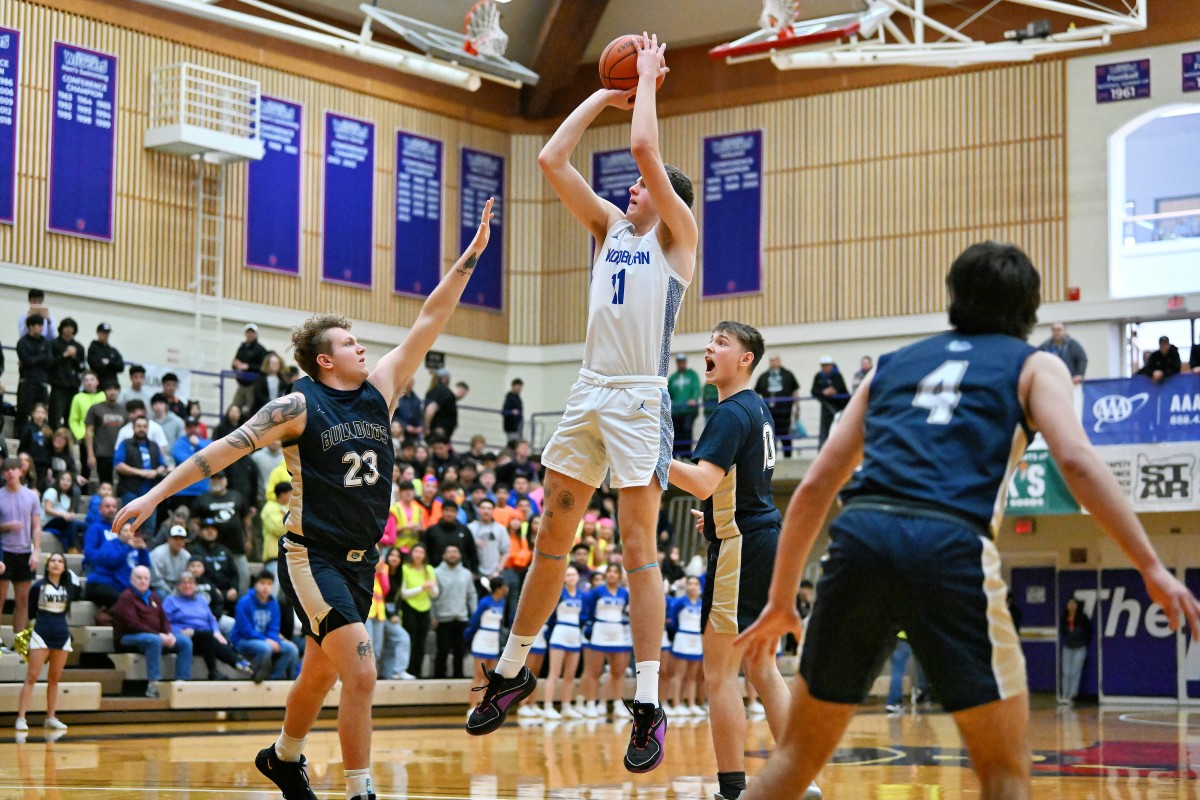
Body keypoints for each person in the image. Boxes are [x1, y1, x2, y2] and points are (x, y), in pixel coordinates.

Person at [734, 241, 1200, 800]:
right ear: (1030, 309)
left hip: (860, 535)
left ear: (952, 296)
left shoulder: (890, 364)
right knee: (1004, 771)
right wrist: (1150, 565)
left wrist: (782, 600)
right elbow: (1075, 459)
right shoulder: (1036, 364)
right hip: (950, 543)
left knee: (793, 762)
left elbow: (813, 487)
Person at [114, 198, 494, 800]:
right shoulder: (295, 406)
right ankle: (360, 789)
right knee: (361, 673)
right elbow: (221, 451)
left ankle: (284, 755)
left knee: (320, 670)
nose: (361, 347)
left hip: (362, 559)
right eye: (349, 342)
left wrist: (470, 258)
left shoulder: (382, 389)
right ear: (325, 359)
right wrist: (154, 495)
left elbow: (430, 318)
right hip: (311, 556)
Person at [470, 36, 696, 776]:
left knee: (637, 552)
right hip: (588, 389)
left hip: (638, 399)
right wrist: (607, 90)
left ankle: (648, 701)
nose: (630, 187)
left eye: (642, 186)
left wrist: (651, 82)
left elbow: (642, 149)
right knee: (552, 539)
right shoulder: (607, 230)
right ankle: (511, 669)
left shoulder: (677, 239)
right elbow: (550, 160)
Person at [667, 321, 818, 800]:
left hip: (741, 548)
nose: (709, 347)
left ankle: (731, 790)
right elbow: (735, 486)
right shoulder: (759, 409)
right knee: (762, 670)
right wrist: (712, 520)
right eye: (709, 340)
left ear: (746, 359)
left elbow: (704, 481)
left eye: (721, 343)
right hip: (760, 539)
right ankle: (801, 779)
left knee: (718, 674)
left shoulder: (731, 413)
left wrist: (649, 455)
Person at [15, 553, 77, 732]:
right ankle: (21, 717)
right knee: (32, 676)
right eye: (53, 561)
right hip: (41, 634)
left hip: (62, 636)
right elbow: (32, 611)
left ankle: (50, 717)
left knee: (54, 679)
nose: (56, 564)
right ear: (47, 565)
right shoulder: (38, 587)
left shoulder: (69, 587)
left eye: (60, 561)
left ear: (64, 567)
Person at [112, 565, 192, 696]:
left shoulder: (154, 597)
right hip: (128, 638)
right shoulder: (126, 597)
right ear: (132, 580)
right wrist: (159, 635)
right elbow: (133, 625)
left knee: (184, 641)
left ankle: (182, 684)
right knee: (154, 640)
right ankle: (153, 685)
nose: (143, 581)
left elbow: (164, 619)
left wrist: (169, 634)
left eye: (146, 578)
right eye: (139, 578)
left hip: (154, 637)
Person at [164, 571, 253, 679]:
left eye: (190, 583)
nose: (187, 585)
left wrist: (216, 631)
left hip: (207, 637)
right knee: (209, 637)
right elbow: (164, 622)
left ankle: (240, 664)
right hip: (186, 637)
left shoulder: (201, 600)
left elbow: (211, 619)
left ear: (195, 585)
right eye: (184, 583)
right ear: (178, 585)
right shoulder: (171, 600)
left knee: (217, 640)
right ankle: (234, 665)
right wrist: (179, 631)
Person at [230, 571, 299, 682]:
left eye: (269, 584)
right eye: (262, 583)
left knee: (291, 649)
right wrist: (266, 640)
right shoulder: (244, 602)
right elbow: (245, 630)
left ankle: (275, 679)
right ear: (255, 585)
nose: (265, 587)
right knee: (265, 647)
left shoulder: (273, 603)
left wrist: (272, 639)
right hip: (242, 641)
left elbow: (274, 627)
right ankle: (257, 675)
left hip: (265, 640)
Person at [0, 457, 41, 632]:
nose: (10, 472)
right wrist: (7, 526)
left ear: (21, 471)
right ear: (3, 474)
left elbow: (37, 526)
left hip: (24, 551)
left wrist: (36, 551)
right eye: (7, 469)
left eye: (13, 469)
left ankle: (18, 640)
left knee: (23, 599)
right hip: (4, 552)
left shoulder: (32, 496)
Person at [541, 566, 584, 719]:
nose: (571, 577)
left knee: (570, 674)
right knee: (554, 673)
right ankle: (548, 706)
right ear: (563, 578)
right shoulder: (558, 593)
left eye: (573, 574)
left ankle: (566, 706)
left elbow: (584, 616)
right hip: (560, 633)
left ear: (578, 577)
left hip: (575, 634)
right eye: (568, 575)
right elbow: (550, 616)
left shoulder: (581, 594)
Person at [114, 417, 168, 530]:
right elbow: (118, 465)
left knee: (149, 528)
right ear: (133, 428)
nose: (141, 429)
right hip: (130, 490)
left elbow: (162, 465)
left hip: (151, 492)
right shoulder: (125, 444)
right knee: (129, 527)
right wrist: (140, 472)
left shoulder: (154, 445)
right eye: (139, 426)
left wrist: (155, 472)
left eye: (144, 426)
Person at [432, 543, 476, 679]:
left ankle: (459, 677)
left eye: (455, 552)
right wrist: (432, 616)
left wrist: (473, 616)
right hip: (442, 619)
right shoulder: (435, 573)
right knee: (442, 651)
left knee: (460, 652)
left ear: (460, 555)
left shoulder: (467, 574)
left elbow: (472, 595)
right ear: (444, 555)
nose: (452, 554)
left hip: (461, 619)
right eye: (449, 552)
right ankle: (439, 679)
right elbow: (432, 597)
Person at [84, 520, 151, 609]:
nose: (128, 533)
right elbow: (112, 561)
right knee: (125, 602)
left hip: (122, 587)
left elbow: (145, 567)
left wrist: (143, 551)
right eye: (125, 530)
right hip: (101, 584)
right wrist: (127, 547)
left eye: (131, 531)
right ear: (118, 533)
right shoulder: (109, 544)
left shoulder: (136, 549)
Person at [666, 576, 704, 716]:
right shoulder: (679, 602)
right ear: (686, 586)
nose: (693, 586)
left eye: (695, 584)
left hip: (697, 640)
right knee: (678, 674)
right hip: (682, 638)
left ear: (699, 586)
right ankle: (676, 704)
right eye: (690, 583)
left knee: (692, 676)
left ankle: (691, 704)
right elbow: (672, 621)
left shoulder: (702, 603)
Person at [754, 354, 800, 458]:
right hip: (769, 413)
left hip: (785, 412)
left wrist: (797, 408)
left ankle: (788, 458)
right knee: (770, 436)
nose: (773, 362)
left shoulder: (788, 375)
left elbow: (795, 391)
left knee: (786, 436)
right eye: (771, 360)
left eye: (775, 360)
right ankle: (771, 460)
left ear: (779, 361)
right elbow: (756, 392)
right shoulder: (764, 376)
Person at [84, 381, 127, 485]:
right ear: (104, 391)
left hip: (120, 452)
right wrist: (90, 453)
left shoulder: (124, 410)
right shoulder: (96, 408)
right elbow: (89, 430)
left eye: (115, 389)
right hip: (102, 451)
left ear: (119, 391)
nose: (112, 392)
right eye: (109, 389)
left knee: (122, 485)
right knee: (105, 484)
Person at [16, 313, 52, 433]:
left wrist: (36, 359)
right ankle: (20, 436)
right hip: (27, 381)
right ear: (30, 326)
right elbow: (27, 361)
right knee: (23, 410)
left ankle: (39, 437)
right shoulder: (23, 342)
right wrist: (41, 357)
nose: (40, 328)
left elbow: (49, 361)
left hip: (41, 381)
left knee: (41, 411)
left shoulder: (46, 342)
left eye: (41, 325)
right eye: (37, 325)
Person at [48, 318, 85, 429]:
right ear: (61, 328)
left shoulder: (79, 347)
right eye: (66, 327)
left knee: (71, 416)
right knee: (55, 415)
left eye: (71, 327)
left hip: (73, 386)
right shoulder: (54, 344)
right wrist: (64, 355)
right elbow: (50, 363)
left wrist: (74, 357)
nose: (69, 330)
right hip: (58, 386)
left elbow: (81, 367)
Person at [1059, 596, 1092, 706]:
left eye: (1073, 604)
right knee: (1066, 671)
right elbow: (1063, 632)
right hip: (1068, 647)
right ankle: (1064, 695)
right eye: (1070, 604)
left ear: (1077, 606)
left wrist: (1083, 641)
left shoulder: (1083, 618)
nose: (1071, 606)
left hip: (1079, 647)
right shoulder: (1064, 618)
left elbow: (1088, 632)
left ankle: (1072, 696)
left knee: (1075, 672)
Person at [41, 470, 84, 553]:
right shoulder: (52, 491)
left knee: (86, 526)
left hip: (63, 521)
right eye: (63, 479)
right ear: (58, 480)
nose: (66, 482)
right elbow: (47, 509)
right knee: (72, 523)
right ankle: (71, 548)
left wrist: (70, 515)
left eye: (68, 480)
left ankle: (84, 549)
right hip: (49, 521)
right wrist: (63, 514)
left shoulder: (69, 496)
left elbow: (70, 512)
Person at [810, 356, 848, 450]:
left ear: (831, 365)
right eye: (823, 365)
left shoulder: (837, 375)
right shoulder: (819, 376)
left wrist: (832, 391)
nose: (825, 367)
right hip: (826, 405)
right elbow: (814, 391)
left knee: (841, 427)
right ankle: (822, 450)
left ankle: (843, 449)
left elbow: (840, 388)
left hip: (840, 406)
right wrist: (823, 392)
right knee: (824, 429)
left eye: (827, 365)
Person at [668, 353, 701, 457]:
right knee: (676, 433)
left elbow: (696, 388)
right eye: (679, 361)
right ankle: (677, 455)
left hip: (689, 410)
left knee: (687, 430)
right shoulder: (673, 378)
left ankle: (686, 455)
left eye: (682, 361)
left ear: (685, 362)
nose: (681, 363)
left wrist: (693, 399)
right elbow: (668, 393)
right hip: (676, 410)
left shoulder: (692, 375)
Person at [232, 323, 269, 413]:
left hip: (253, 385)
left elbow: (263, 367)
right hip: (241, 383)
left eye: (252, 332)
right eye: (248, 332)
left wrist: (248, 367)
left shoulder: (261, 350)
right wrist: (235, 365)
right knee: (235, 406)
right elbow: (235, 362)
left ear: (256, 334)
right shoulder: (242, 348)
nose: (250, 334)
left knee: (250, 410)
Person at [150, 525, 192, 598]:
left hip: (178, 587)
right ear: (169, 539)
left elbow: (188, 577)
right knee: (162, 594)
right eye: (175, 538)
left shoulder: (186, 555)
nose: (178, 541)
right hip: (160, 587)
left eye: (181, 539)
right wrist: (172, 593)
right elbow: (155, 580)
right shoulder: (157, 553)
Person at [87, 322, 124, 388]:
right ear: (98, 333)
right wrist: (112, 365)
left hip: (112, 385)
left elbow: (121, 367)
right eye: (104, 333)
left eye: (107, 333)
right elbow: (97, 366)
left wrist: (109, 363)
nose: (106, 335)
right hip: (99, 385)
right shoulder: (93, 348)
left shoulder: (113, 350)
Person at [501, 378, 524, 446]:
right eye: (518, 387)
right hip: (512, 427)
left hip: (517, 427)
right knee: (513, 445)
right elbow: (504, 411)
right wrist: (512, 412)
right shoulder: (510, 398)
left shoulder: (517, 397)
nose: (519, 389)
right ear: (513, 386)